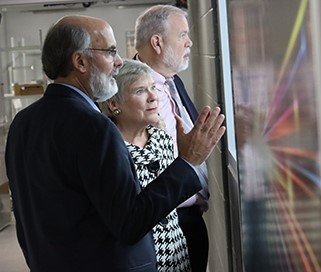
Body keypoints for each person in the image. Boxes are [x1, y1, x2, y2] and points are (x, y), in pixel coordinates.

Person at [5, 15, 225, 272]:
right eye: (110, 52)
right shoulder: (94, 127)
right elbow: (130, 222)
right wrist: (188, 161)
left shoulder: (23, 122)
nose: (119, 62)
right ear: (80, 61)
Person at [134, 5, 209, 271]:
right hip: (162, 225)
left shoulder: (173, 82)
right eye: (183, 35)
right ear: (157, 42)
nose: (189, 42)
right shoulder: (129, 93)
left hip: (190, 217)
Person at [99, 59, 191, 271]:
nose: (153, 97)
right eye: (140, 91)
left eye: (153, 88)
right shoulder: (109, 151)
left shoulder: (163, 138)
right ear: (114, 104)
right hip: (138, 261)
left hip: (176, 256)